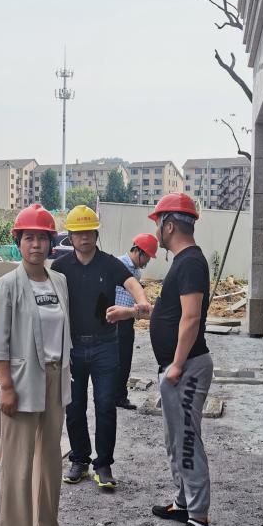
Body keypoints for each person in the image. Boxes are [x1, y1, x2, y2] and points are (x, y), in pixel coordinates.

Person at [109, 193, 214, 526]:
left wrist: (178, 364)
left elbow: (191, 317)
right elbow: (170, 313)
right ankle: (182, 503)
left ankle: (198, 521)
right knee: (175, 439)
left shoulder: (191, 263)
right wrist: (130, 313)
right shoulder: (184, 262)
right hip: (175, 368)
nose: (156, 229)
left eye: (158, 222)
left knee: (187, 441)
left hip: (186, 368)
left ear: (169, 225)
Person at [0, 204, 74, 526]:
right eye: (29, 238)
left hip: (55, 378)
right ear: (19, 242)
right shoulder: (8, 285)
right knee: (18, 462)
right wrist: (6, 386)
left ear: (51, 243)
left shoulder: (60, 282)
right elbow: (0, 342)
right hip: (22, 381)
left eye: (42, 238)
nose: (36, 245)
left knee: (50, 458)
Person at [51, 205, 151, 489]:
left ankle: (103, 464)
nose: (84, 237)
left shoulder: (109, 264)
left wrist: (141, 302)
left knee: (106, 405)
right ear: (70, 236)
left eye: (89, 232)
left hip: (105, 346)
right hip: (71, 347)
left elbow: (131, 282)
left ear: (96, 234)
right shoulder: (60, 267)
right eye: (78, 233)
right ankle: (80, 460)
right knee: (74, 406)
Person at [113, 233, 158, 411]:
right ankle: (111, 396)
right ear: (139, 251)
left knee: (125, 359)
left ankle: (119, 396)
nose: (148, 261)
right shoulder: (118, 264)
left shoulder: (136, 272)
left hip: (127, 320)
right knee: (113, 360)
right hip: (114, 320)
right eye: (147, 257)